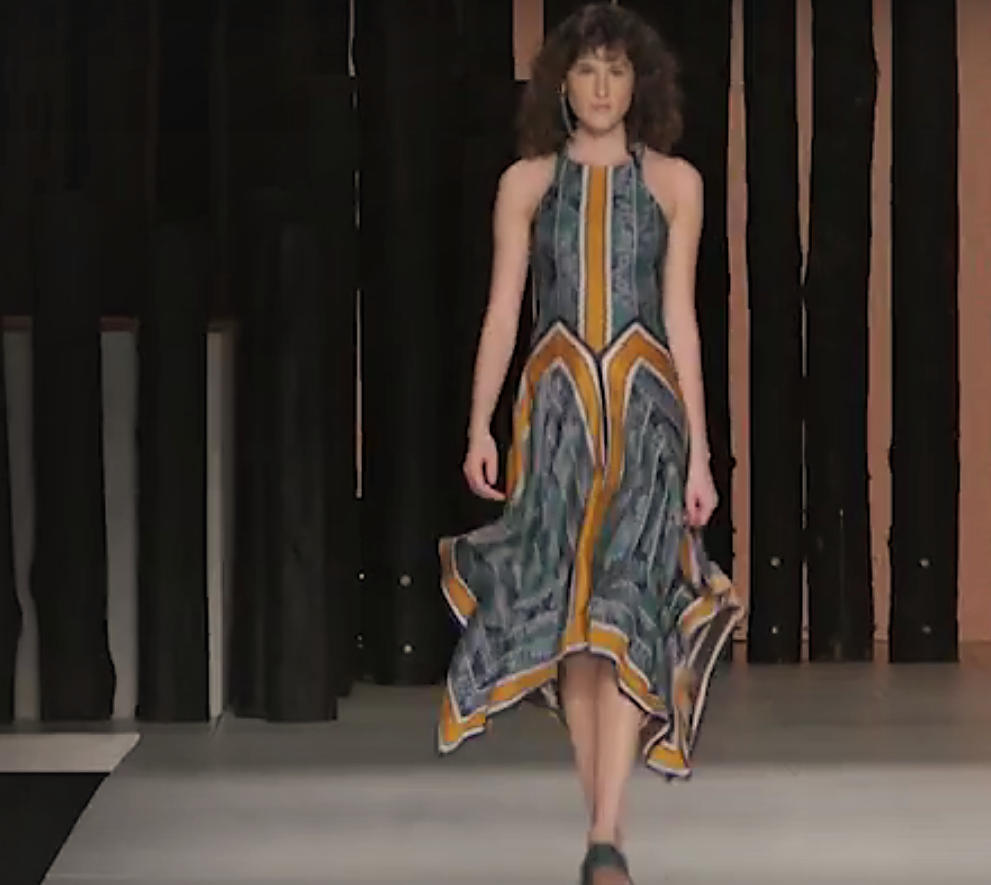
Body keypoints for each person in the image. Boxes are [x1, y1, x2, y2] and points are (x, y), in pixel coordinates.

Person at [436, 5, 743, 883]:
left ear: (639, 82)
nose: (602, 88)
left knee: (623, 610)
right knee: (573, 628)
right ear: (561, 84)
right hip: (557, 422)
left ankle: (605, 835)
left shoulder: (675, 183)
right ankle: (603, 834)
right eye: (586, 71)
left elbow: (681, 318)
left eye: (617, 71)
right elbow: (504, 310)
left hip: (646, 421)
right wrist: (480, 422)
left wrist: (701, 452)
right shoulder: (527, 184)